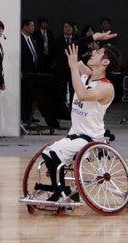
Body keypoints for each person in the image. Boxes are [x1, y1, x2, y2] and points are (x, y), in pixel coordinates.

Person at [38, 40, 119, 201]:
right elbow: (70, 55)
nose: (93, 52)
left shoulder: (106, 87)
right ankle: (62, 192)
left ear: (105, 62)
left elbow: (83, 95)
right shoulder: (86, 74)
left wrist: (74, 68)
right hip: (75, 133)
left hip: (91, 137)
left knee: (54, 153)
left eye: (98, 52)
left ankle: (61, 194)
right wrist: (93, 37)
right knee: (48, 153)